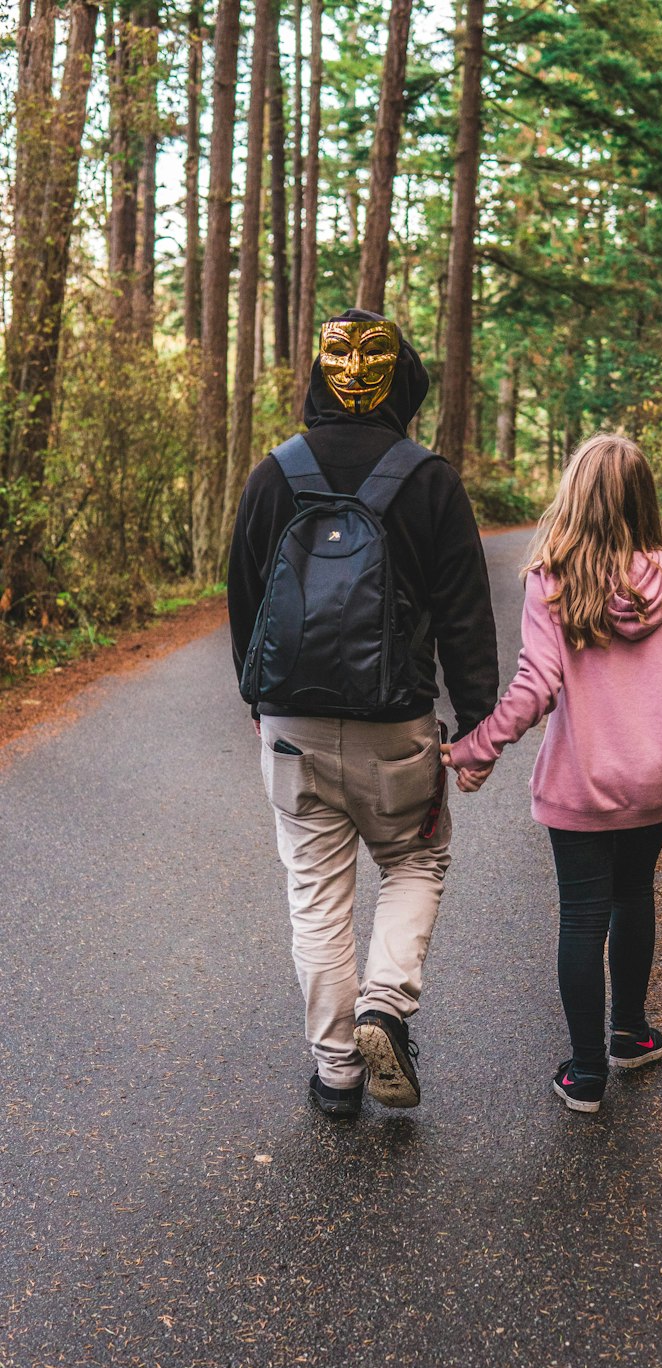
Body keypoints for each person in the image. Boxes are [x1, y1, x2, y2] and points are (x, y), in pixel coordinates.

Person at [227, 309, 499, 1119]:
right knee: (415, 863)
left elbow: (244, 594)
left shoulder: (275, 473)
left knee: (316, 892)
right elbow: (465, 614)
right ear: (403, 383)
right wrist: (479, 724)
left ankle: (337, 1071)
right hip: (397, 726)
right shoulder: (429, 479)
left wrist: (257, 697)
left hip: (291, 721)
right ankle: (386, 1002)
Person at [443, 433, 662, 1114]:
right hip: (653, 783)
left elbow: (537, 684)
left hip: (579, 785)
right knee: (634, 899)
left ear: (575, 497)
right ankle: (631, 1034)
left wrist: (480, 747)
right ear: (643, 501)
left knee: (582, 919)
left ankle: (587, 1073)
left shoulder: (553, 578)